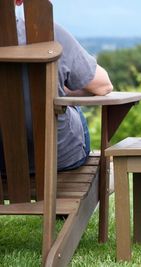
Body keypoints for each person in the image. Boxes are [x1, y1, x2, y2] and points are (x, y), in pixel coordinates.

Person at [1, 0, 113, 172]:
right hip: (59, 158)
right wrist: (54, 89)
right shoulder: (48, 33)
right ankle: (107, 178)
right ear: (18, 1)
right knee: (71, 109)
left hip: (3, 164)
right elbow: (103, 86)